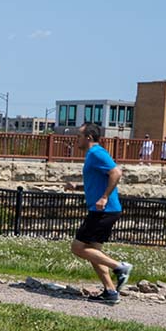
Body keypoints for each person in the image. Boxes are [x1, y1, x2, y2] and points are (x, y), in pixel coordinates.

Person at [64, 123, 132, 305]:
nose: (76, 139)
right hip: (104, 210)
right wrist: (77, 187)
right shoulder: (92, 155)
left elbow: (116, 172)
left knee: (78, 248)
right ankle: (110, 292)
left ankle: (120, 267)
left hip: (104, 210)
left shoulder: (96, 152)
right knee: (93, 252)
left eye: (78, 136)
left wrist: (104, 197)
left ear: (88, 137)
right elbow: (98, 180)